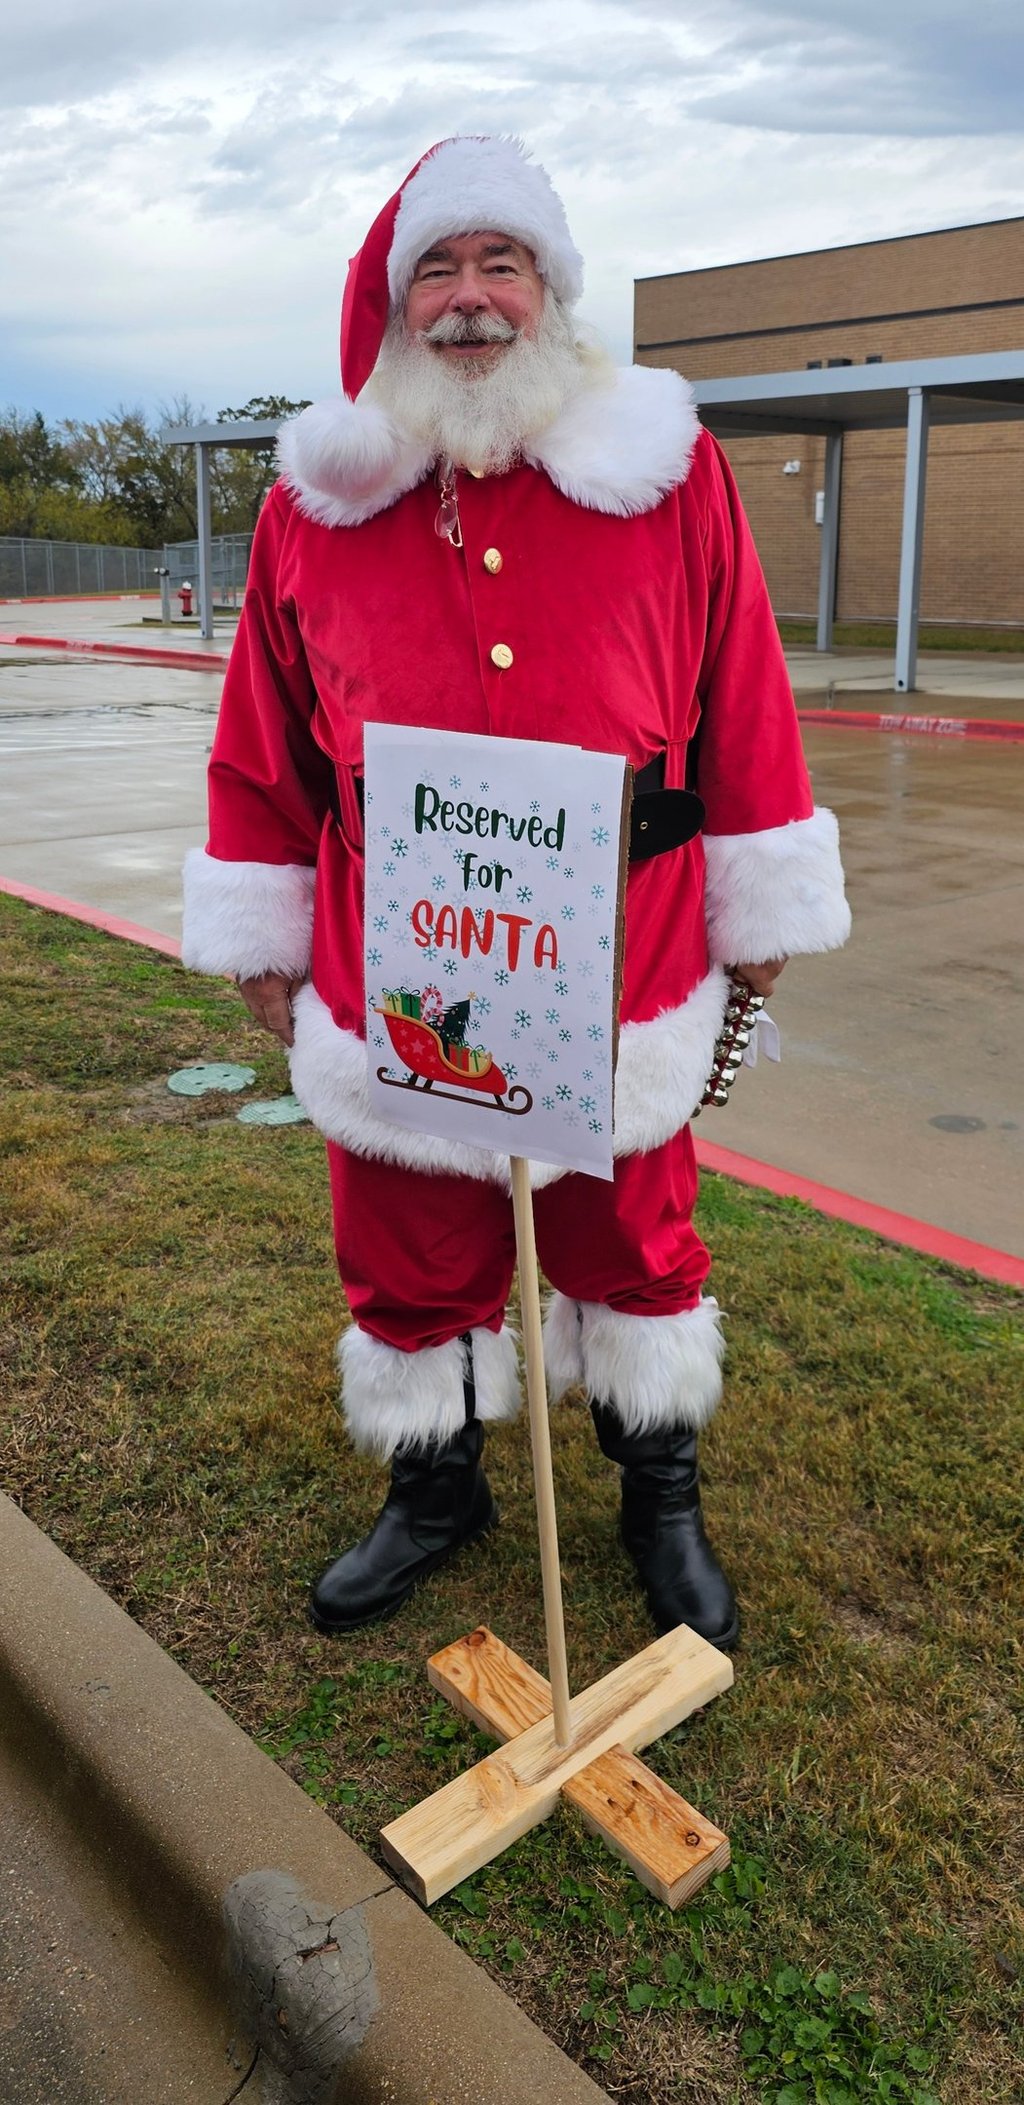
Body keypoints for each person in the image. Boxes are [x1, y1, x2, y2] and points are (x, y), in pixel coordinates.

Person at [182, 135, 850, 1650]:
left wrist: (763, 910)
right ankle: (435, 1492)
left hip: (628, 955)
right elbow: (263, 740)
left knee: (630, 1227)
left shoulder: (669, 473)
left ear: (548, 289)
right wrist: (263, 931)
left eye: (503, 265)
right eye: (441, 267)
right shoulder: (316, 506)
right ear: (394, 298)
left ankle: (656, 1492)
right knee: (409, 1226)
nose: (472, 300)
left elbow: (742, 686)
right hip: (394, 952)